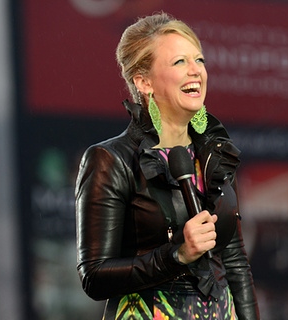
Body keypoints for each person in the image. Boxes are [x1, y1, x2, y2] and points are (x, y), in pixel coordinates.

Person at [75, 12, 259, 320]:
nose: (195, 71)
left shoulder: (215, 155)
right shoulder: (111, 160)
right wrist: (177, 254)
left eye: (199, 61)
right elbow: (94, 276)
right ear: (144, 82)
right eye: (179, 63)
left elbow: (235, 262)